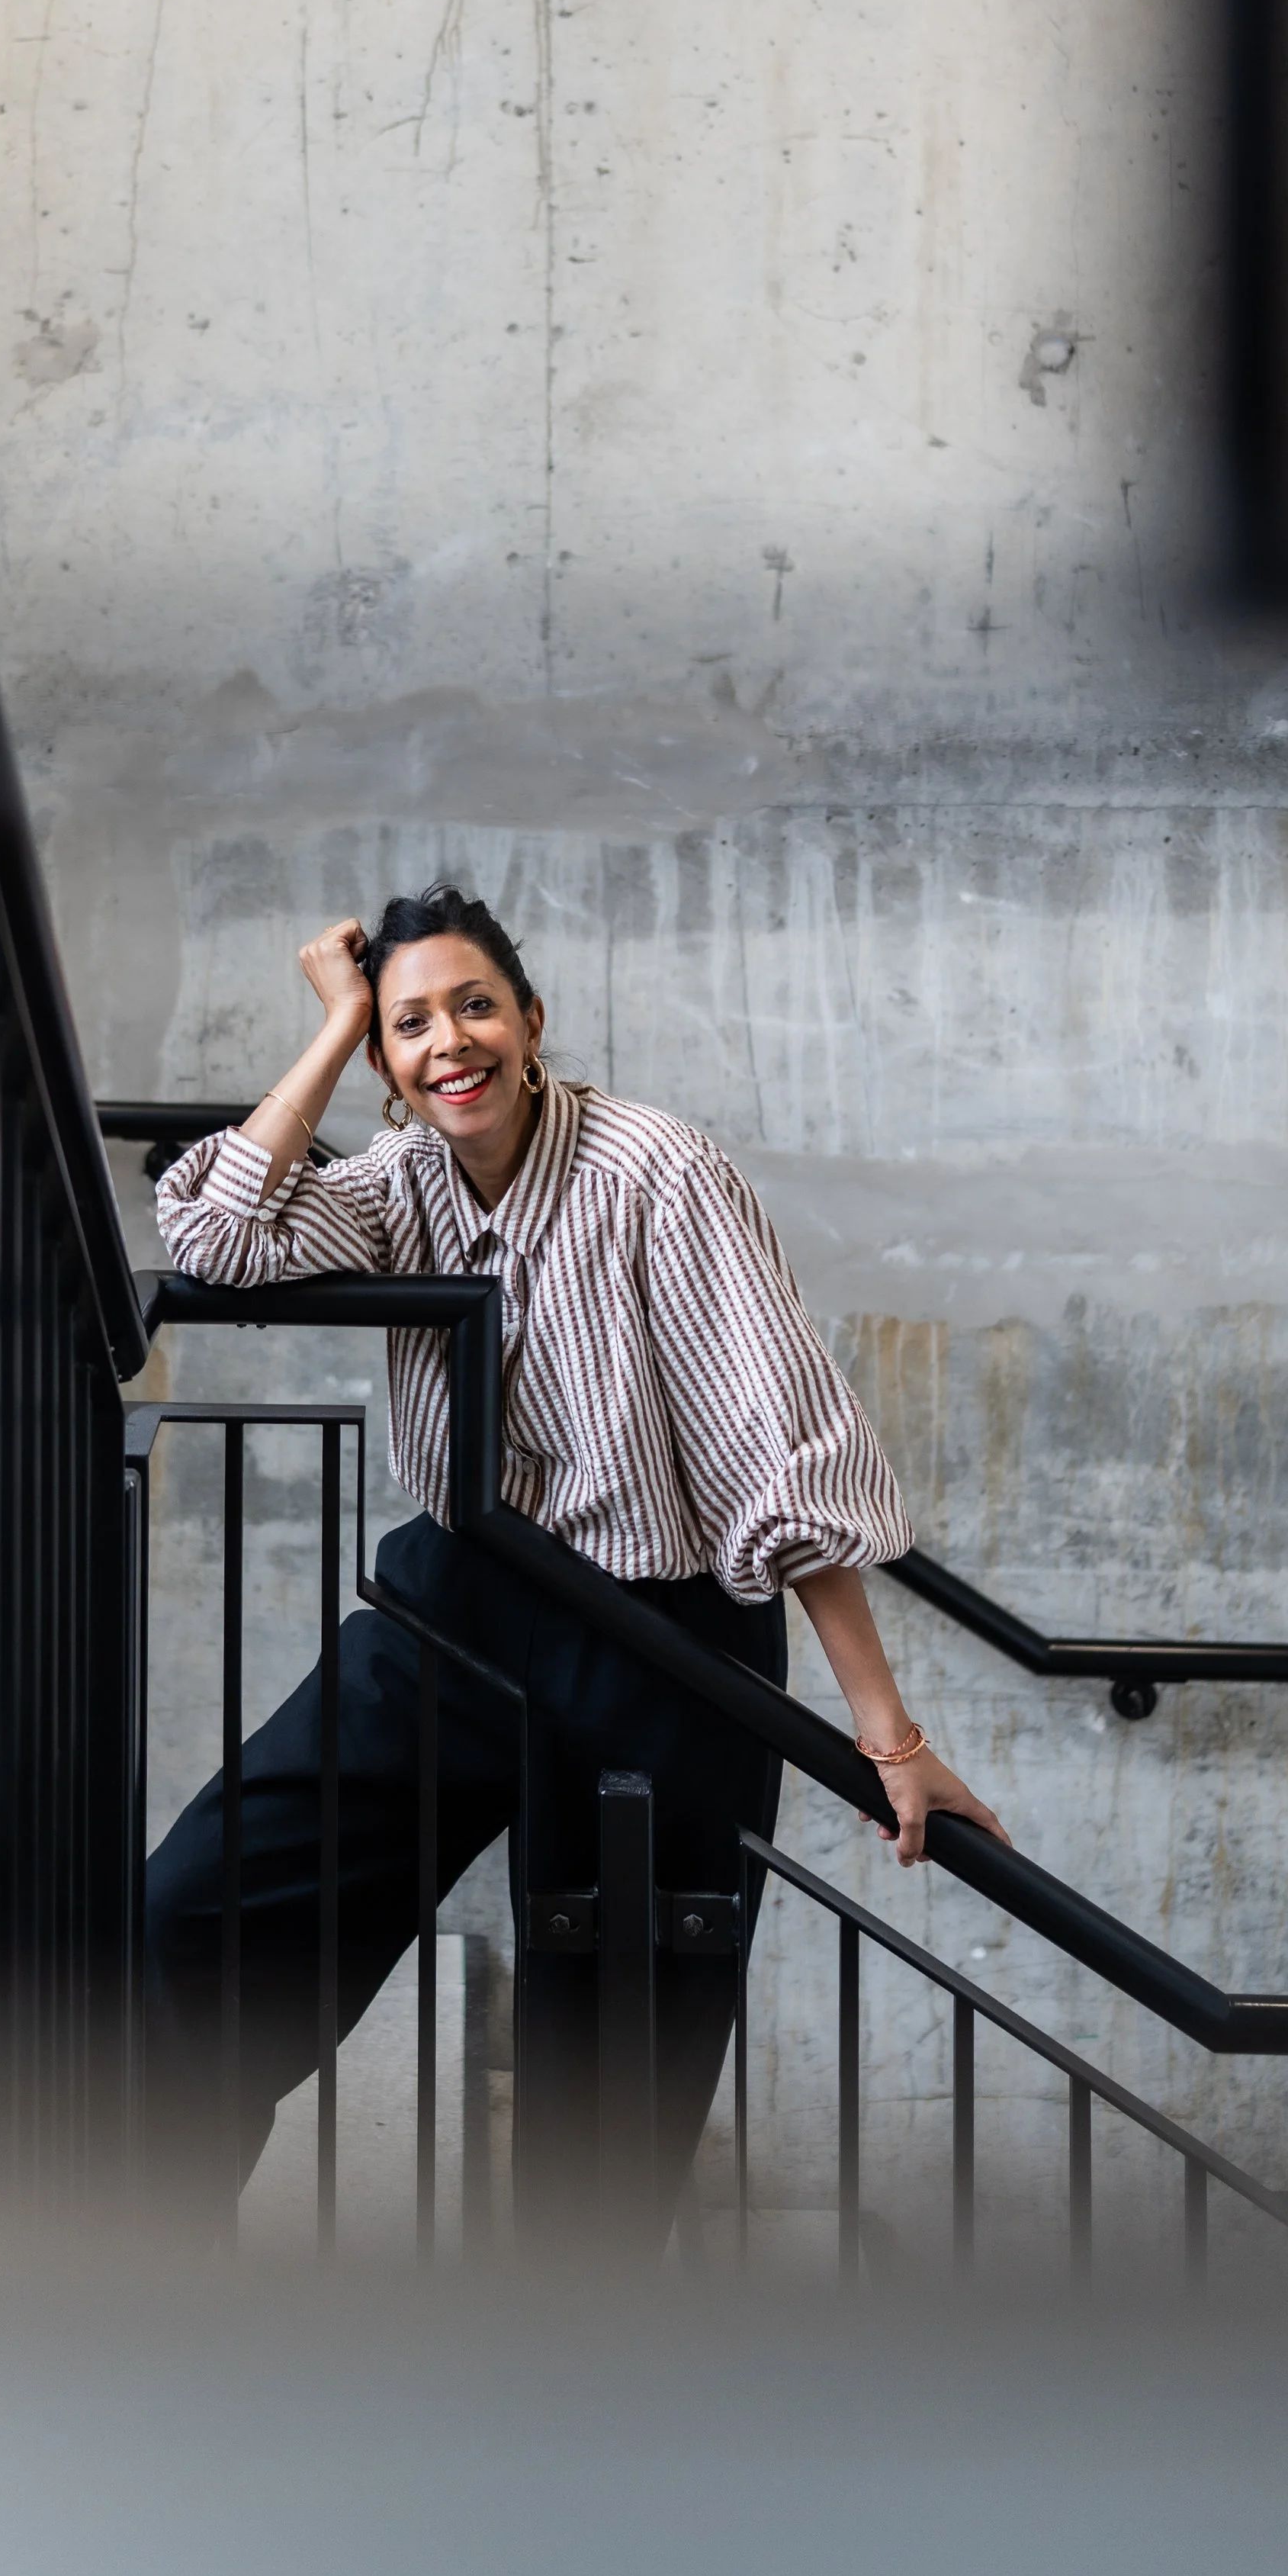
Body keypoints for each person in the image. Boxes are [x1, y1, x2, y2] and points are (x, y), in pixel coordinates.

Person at [146, 883, 1007, 2230]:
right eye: (411, 1023)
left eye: (475, 1006)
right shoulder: (397, 1182)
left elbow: (781, 1446)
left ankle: (561, 2397)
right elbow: (212, 1234)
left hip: (661, 1652)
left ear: (532, 1020)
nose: (451, 1043)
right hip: (459, 1613)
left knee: (609, 2099)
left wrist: (886, 1741)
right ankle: (116, 2285)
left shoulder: (656, 1168)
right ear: (385, 1060)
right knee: (191, 1925)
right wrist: (332, 1025)